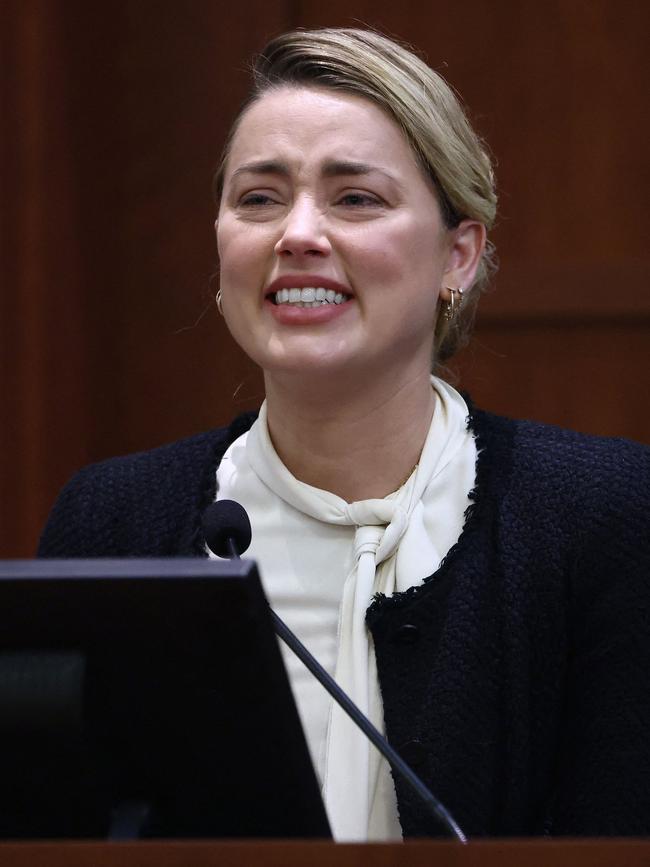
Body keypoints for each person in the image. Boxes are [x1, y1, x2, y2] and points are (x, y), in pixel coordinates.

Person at [38, 28, 650, 841]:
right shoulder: (112, 524)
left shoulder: (601, 515)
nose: (296, 234)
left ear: (458, 257)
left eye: (354, 197)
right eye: (258, 198)